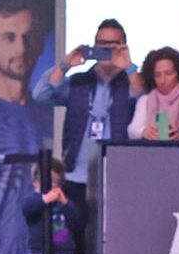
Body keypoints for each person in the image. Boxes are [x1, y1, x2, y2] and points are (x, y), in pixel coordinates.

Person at [0, 0, 54, 254]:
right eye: (9, 37)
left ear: (40, 44)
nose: (21, 48)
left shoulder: (49, 113)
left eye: (29, 37)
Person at [34, 18, 135, 202]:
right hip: (75, 176)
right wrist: (65, 65)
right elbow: (40, 95)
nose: (107, 50)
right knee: (76, 228)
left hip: (117, 177)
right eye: (102, 44)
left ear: (123, 47)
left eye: (113, 45)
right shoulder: (78, 82)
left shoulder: (130, 82)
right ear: (94, 47)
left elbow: (143, 97)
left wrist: (129, 66)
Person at [132, 47, 179, 142]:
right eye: (157, 75)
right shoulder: (146, 99)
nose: (163, 80)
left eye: (168, 73)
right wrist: (143, 132)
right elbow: (132, 130)